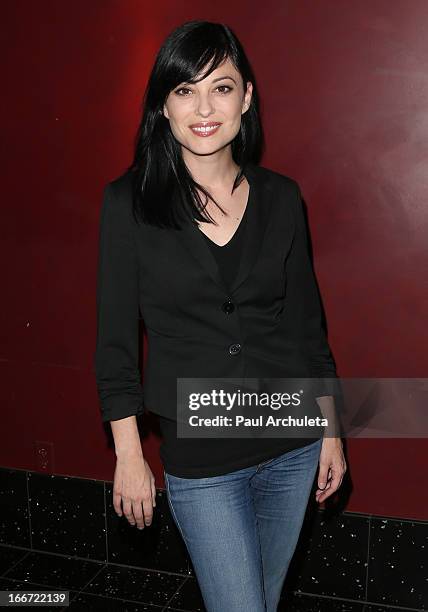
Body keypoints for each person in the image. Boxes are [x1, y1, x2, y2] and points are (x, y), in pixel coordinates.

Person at [94, 19, 347, 612]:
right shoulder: (127, 204)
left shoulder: (283, 197)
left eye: (222, 87)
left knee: (262, 599)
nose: (204, 107)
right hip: (202, 459)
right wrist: (128, 455)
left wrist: (332, 431)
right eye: (185, 90)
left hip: (292, 443)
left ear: (247, 98)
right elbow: (115, 344)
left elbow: (308, 329)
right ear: (164, 103)